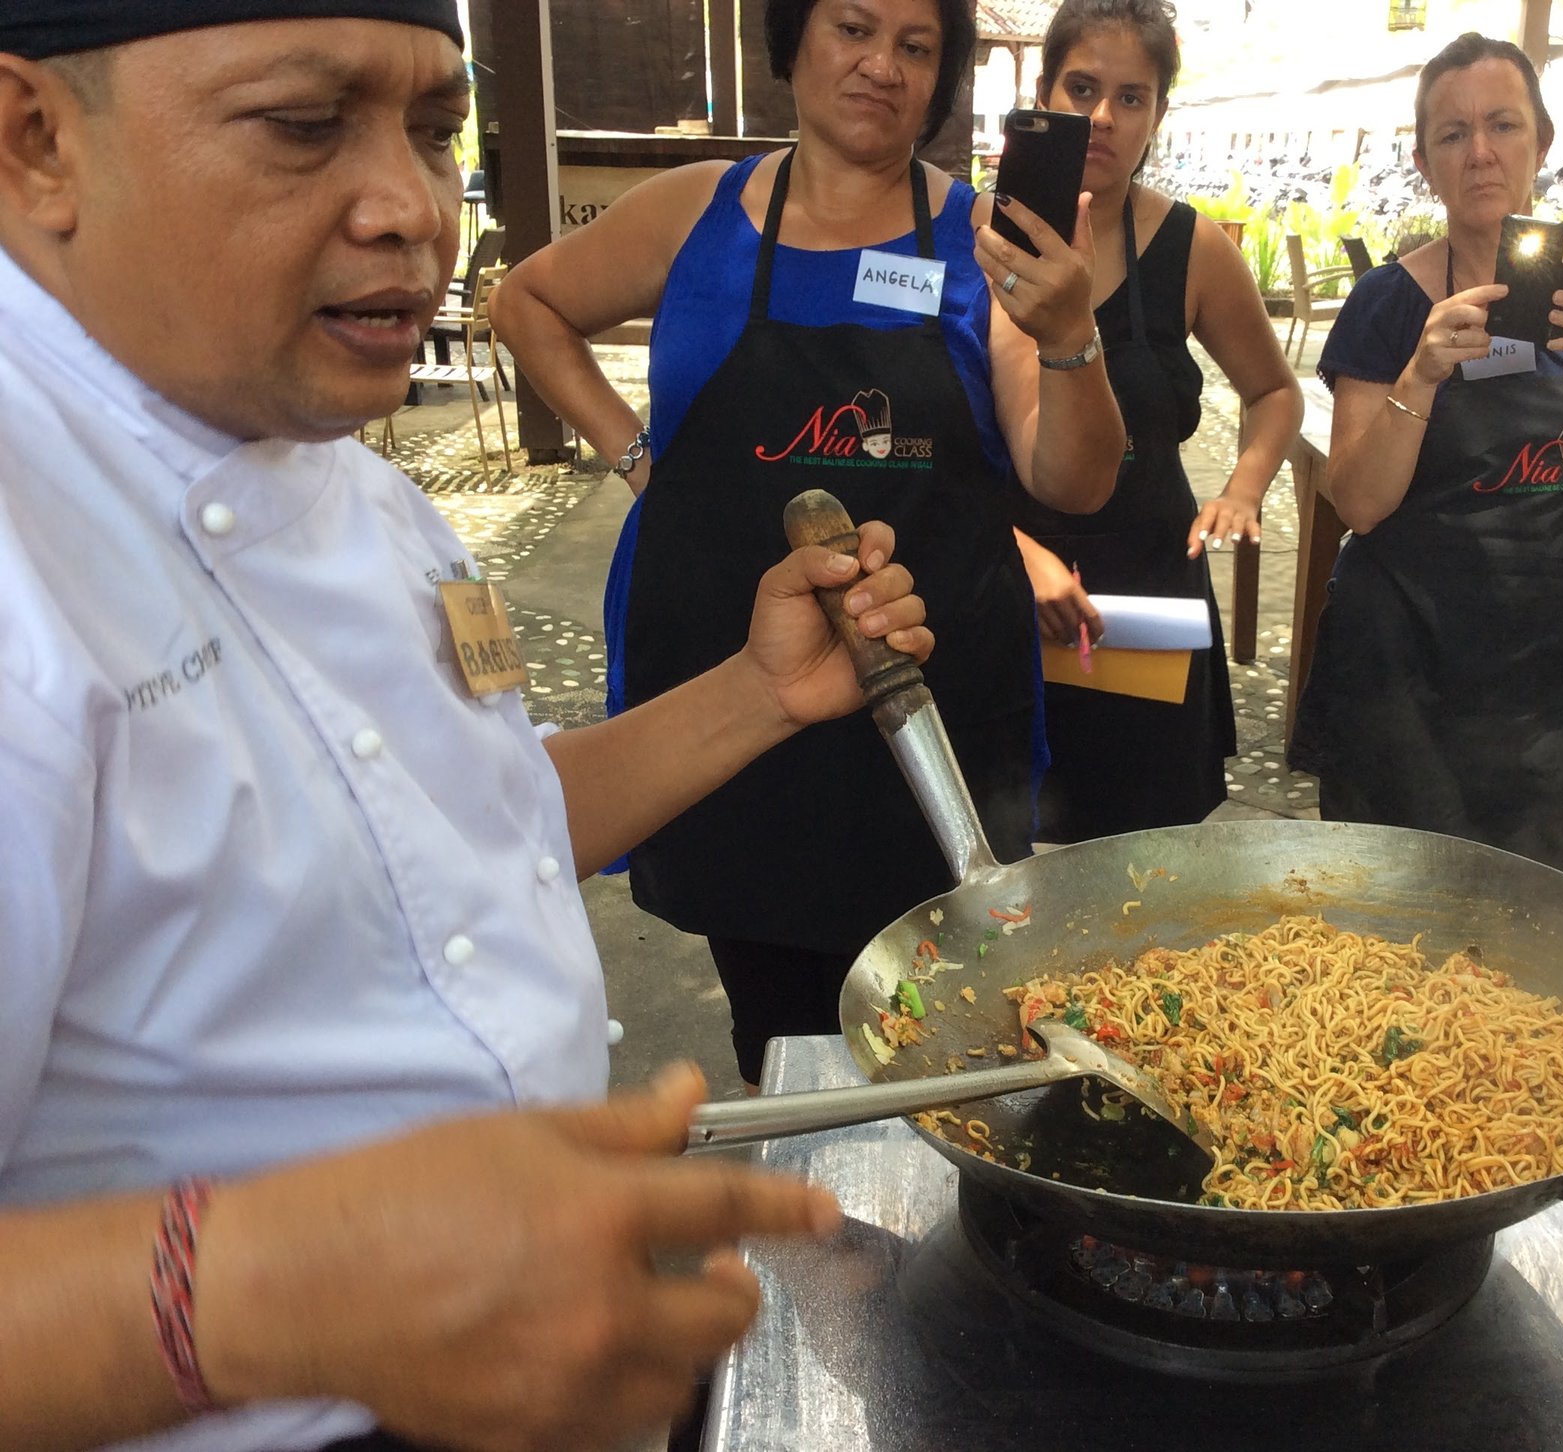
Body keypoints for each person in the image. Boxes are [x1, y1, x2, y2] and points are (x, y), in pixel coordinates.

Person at [0, 6, 939, 1449]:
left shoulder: (357, 483)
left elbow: (470, 836)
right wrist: (269, 1291)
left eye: (435, 133)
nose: (414, 212)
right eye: (305, 127)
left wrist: (761, 692)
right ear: (34, 142)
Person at [491, 0, 1125, 1088]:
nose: (881, 65)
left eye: (916, 47)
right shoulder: (696, 214)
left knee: (947, 1017)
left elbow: (1073, 478)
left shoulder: (987, 245)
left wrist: (1070, 339)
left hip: (935, 693)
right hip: (731, 689)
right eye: (853, 29)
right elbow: (527, 303)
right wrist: (641, 458)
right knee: (779, 1020)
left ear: (941, 78)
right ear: (793, 44)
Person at [1290, 31, 1563, 888]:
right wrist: (1422, 372)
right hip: (1404, 668)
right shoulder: (1388, 303)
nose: (1480, 153)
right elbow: (1357, 502)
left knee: (1545, 918)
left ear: (1542, 142)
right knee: (1390, 914)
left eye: (1503, 125)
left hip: (1560, 665)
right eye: (1452, 134)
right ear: (1426, 162)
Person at [1007, 0, 1300, 842]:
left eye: (1131, 97)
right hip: (1013, 586)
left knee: (1148, 850)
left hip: (1150, 594)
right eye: (1083, 87)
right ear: (1045, 91)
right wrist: (1016, 552)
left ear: (1159, 115)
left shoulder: (1192, 247)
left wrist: (1241, 492)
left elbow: (1275, 392)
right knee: (1013, 845)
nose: (1102, 116)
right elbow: (945, 441)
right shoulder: (981, 240)